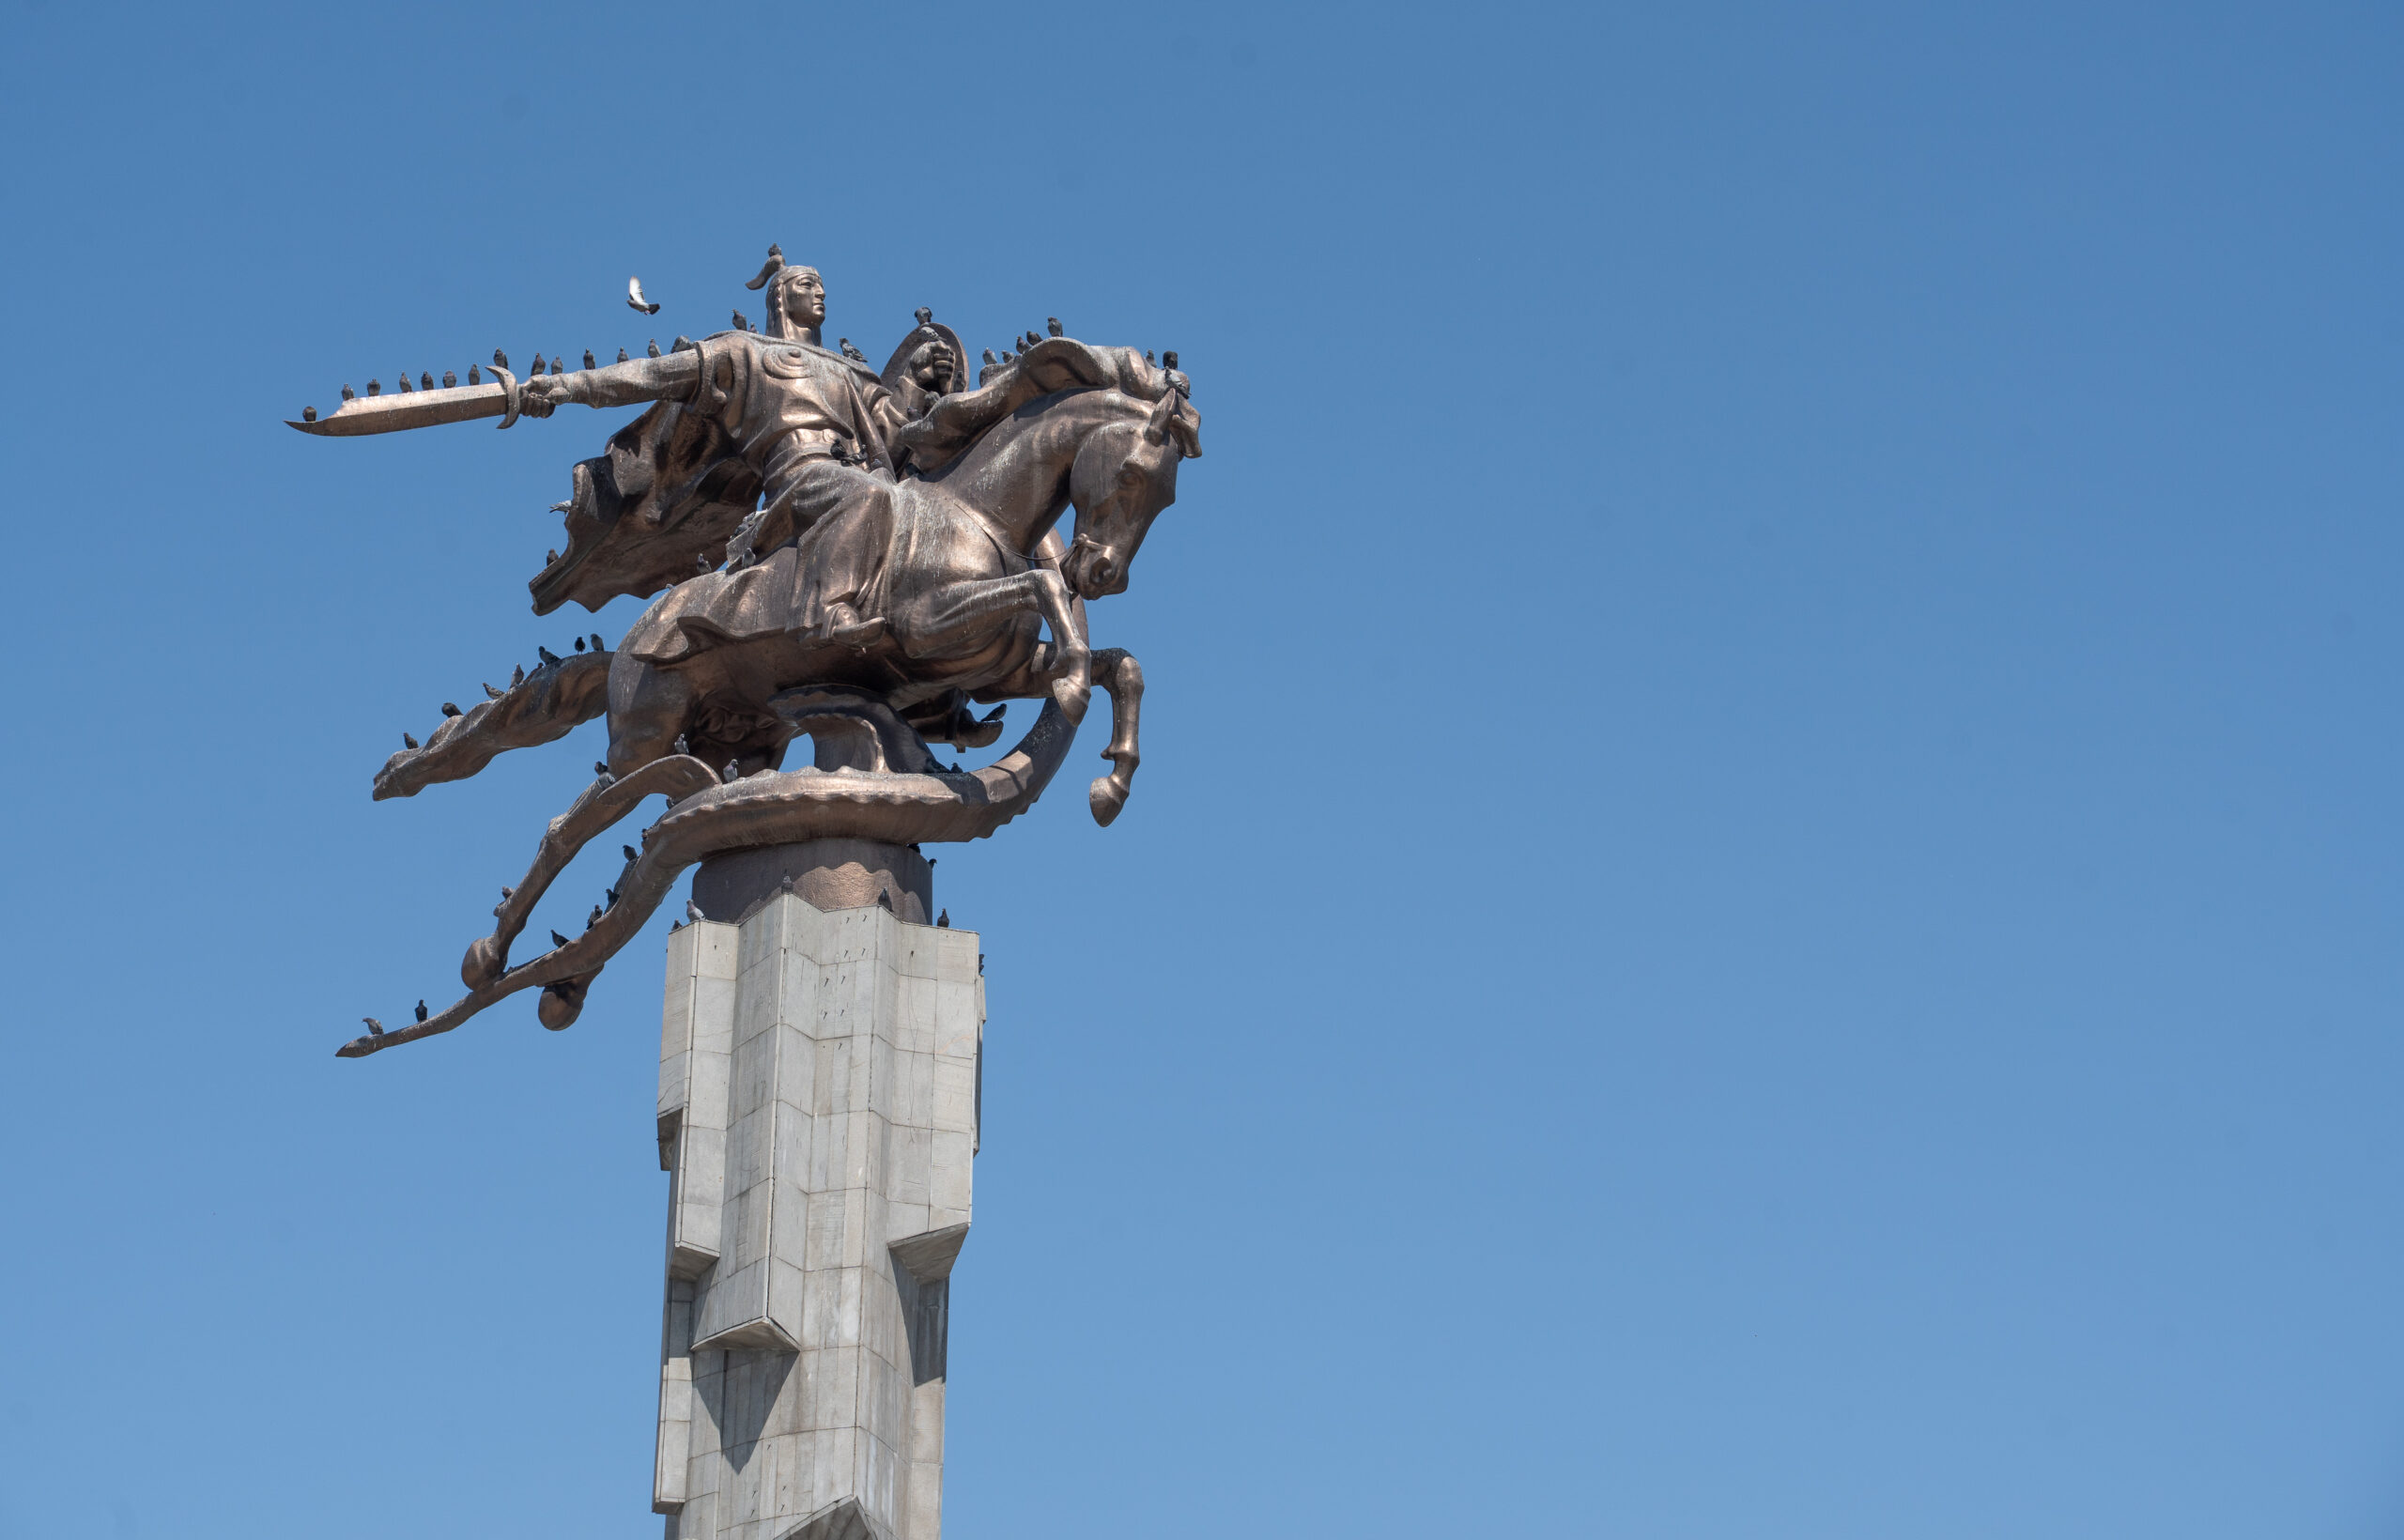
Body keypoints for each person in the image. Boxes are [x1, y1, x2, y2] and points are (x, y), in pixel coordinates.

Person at [520, 255, 955, 653]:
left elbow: (892, 438)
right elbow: (650, 375)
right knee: (867, 495)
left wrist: (915, 379)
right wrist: (565, 386)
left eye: (822, 285)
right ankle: (828, 609)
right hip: (799, 478)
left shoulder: (851, 372)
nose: (821, 292)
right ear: (781, 296)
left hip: (860, 475)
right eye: (807, 285)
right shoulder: (744, 351)